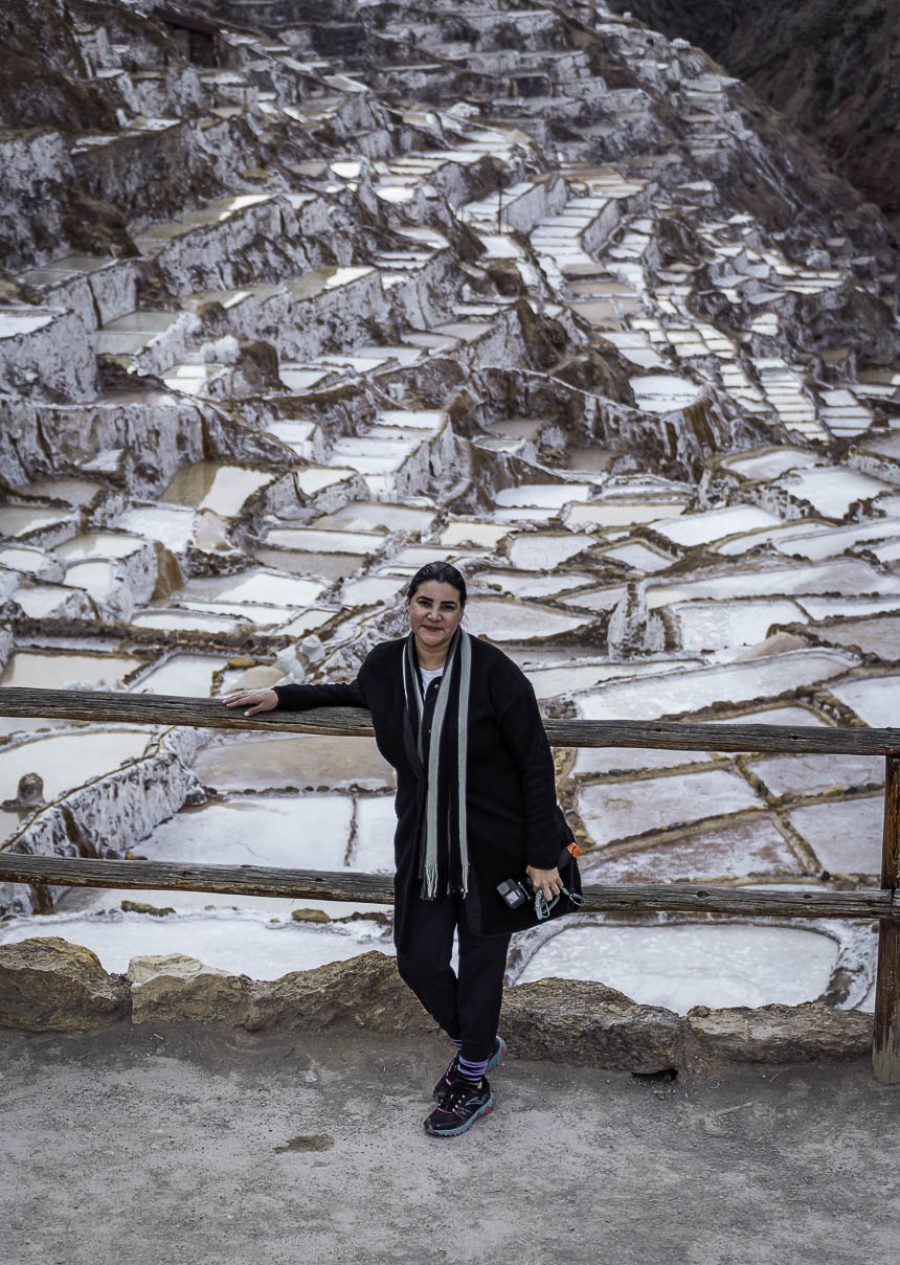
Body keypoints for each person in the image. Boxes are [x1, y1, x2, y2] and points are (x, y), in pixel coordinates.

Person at [223, 560, 577, 1138]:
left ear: (461, 614)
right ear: (407, 605)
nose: (434, 616)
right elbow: (349, 693)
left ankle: (471, 1080)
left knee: (483, 962)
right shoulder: (387, 665)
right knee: (418, 957)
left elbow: (535, 763)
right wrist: (280, 695)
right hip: (424, 840)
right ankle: (478, 1047)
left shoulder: (495, 674)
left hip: (496, 843)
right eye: (425, 603)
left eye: (447, 606)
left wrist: (541, 854)